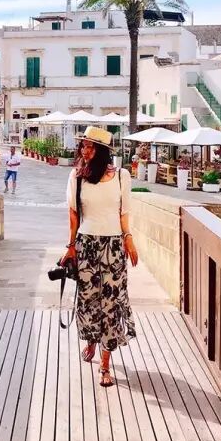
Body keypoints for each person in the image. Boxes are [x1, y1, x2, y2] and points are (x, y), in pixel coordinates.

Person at [62, 126, 138, 388]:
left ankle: (105, 364)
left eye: (91, 147)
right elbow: (73, 214)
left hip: (114, 246)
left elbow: (124, 212)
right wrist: (71, 246)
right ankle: (92, 341)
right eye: (84, 145)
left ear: (103, 151)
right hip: (86, 245)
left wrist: (129, 239)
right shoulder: (77, 176)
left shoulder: (121, 176)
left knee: (111, 304)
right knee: (89, 302)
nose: (85, 150)